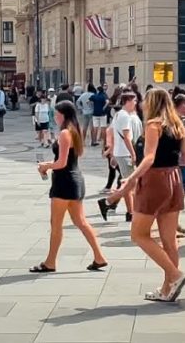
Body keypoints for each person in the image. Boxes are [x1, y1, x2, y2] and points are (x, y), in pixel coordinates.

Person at [110, 89, 185, 302]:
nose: (142, 104)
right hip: (174, 178)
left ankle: (174, 275)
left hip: (155, 179)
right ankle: (167, 289)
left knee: (139, 234)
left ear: (152, 103)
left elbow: (149, 158)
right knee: (169, 240)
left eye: (146, 101)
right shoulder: (177, 125)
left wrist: (130, 179)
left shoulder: (153, 125)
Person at [30, 101, 108, 273]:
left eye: (56, 114)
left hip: (64, 182)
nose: (54, 117)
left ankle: (50, 262)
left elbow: (61, 163)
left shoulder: (66, 133)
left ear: (63, 115)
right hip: (75, 179)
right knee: (80, 221)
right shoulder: (75, 130)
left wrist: (45, 166)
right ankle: (99, 257)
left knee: (56, 224)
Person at [97, 92, 142, 221]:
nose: (136, 103)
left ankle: (129, 211)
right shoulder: (125, 116)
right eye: (134, 101)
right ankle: (110, 203)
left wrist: (112, 151)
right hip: (126, 153)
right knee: (130, 185)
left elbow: (111, 131)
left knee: (128, 183)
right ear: (127, 101)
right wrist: (133, 154)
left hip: (121, 153)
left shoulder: (119, 115)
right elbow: (127, 137)